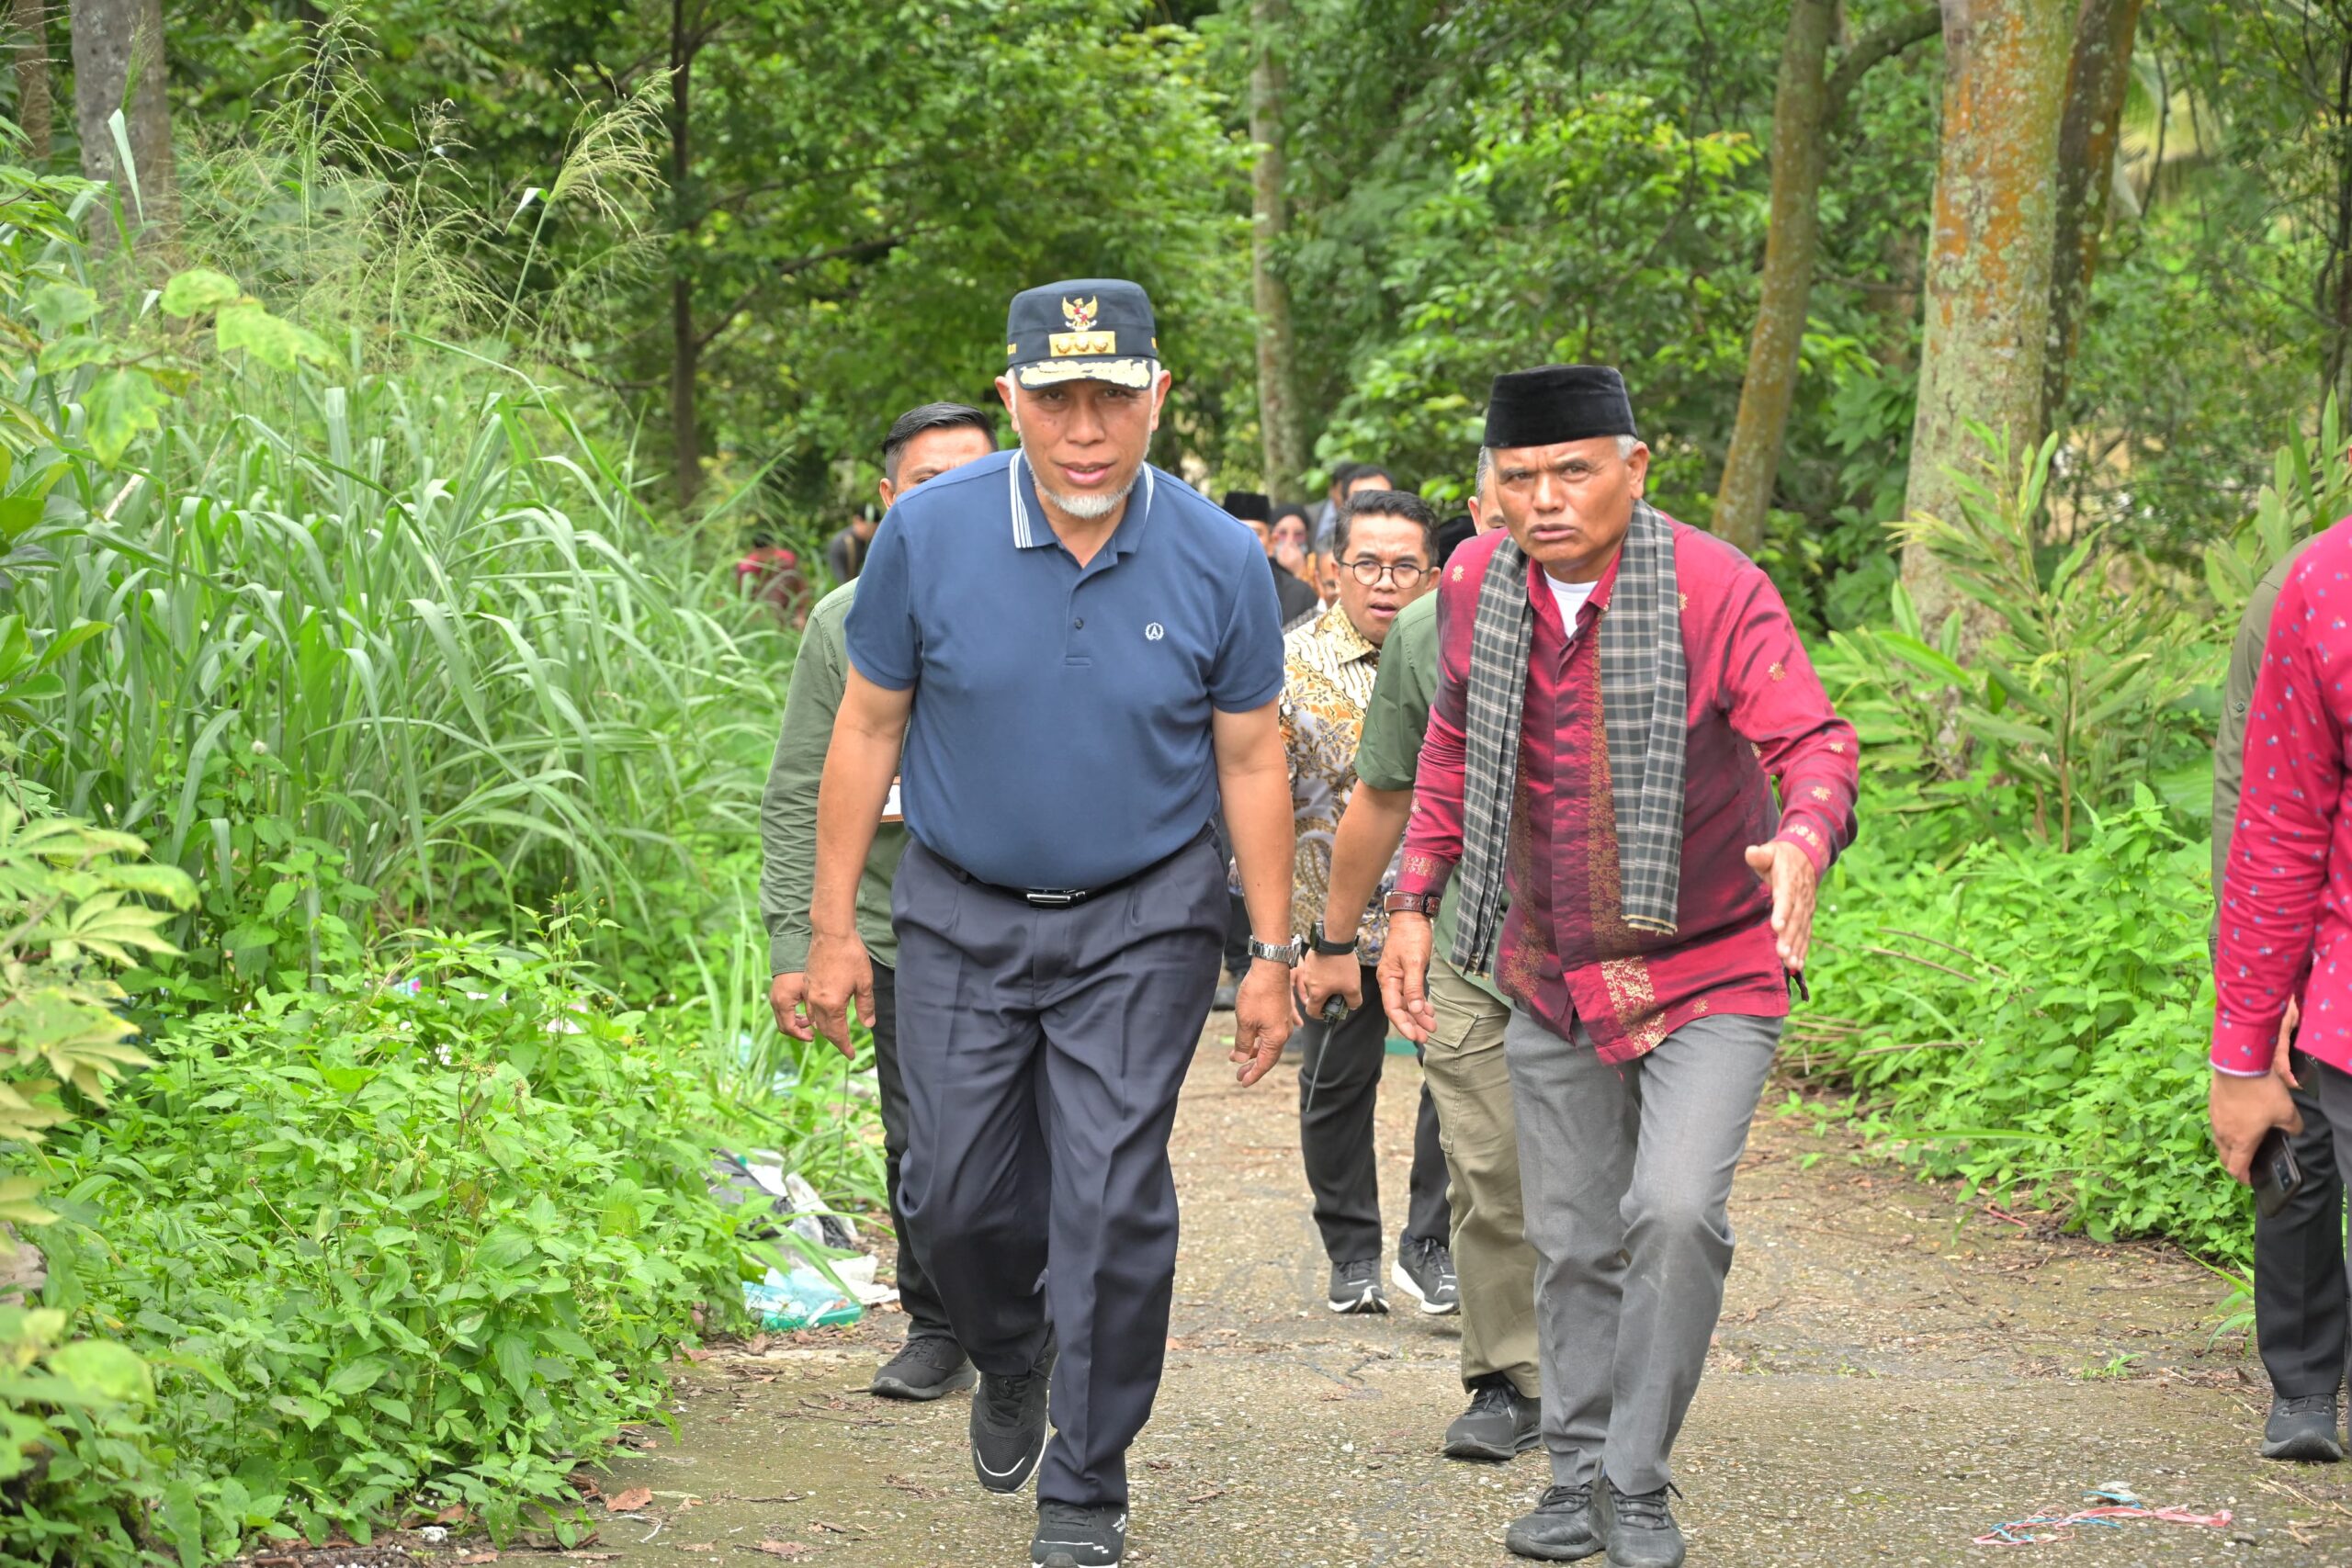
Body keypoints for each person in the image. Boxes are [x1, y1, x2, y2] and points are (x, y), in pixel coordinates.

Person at [805, 277, 1298, 1568]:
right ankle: (1011, 1349)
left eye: (1113, 397)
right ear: (1012, 395)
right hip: (961, 909)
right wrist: (830, 929)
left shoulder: (1222, 556)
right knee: (954, 1196)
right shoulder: (928, 537)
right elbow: (865, 727)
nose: (1085, 429)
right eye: (1057, 397)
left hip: (1143, 918)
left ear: (1158, 398)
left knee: (1114, 1196)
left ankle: (1087, 1475)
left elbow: (1252, 760)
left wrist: (1275, 953)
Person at [1381, 365, 1858, 1567]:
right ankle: (1580, 1471)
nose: (1546, 498)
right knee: (1574, 1233)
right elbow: (1448, 740)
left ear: (1635, 469)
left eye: (1574, 470)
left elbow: (1813, 738)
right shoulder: (1477, 581)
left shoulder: (1712, 584)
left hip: (1712, 963)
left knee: (1677, 1209)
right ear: (1493, 489)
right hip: (1549, 964)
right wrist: (1415, 896)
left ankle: (1637, 1482)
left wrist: (1803, 836)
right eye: (1520, 476)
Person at [1299, 447, 1545, 1463]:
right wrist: (1322, 938)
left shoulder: (1676, 600)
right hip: (1463, 931)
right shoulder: (1426, 633)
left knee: (1624, 1184)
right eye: (1516, 490)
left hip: (1623, 940)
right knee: (1483, 1159)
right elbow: (1383, 794)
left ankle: (1613, 1366)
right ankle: (1507, 1375)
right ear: (1482, 512)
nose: (1543, 508)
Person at [762, 400, 999, 1401]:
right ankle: (939, 1321)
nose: (953, 507)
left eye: (976, 481)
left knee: (1046, 1139)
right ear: (887, 504)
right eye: (929, 486)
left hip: (1038, 916)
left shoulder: (1057, 599)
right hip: (898, 927)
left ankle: (1041, 1320)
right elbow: (797, 787)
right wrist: (799, 939)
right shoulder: (841, 622)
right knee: (927, 1147)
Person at [1272, 487, 1456, 1319]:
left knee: (1457, 1081)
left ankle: (1433, 1244)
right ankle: (1351, 1250)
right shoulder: (1286, 666)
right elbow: (1262, 805)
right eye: (1367, 564)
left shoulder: (1460, 654)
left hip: (1445, 917)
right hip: (1332, 930)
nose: (1386, 583)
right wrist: (1275, 943)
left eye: (1405, 566)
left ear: (1432, 574)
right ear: (1327, 572)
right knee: (1335, 1084)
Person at [2211, 520, 2352, 1464]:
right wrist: (2255, 1001)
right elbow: (2257, 794)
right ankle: (2301, 1383)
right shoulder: (2305, 587)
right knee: (2290, 1153)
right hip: (2296, 925)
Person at [1224, 490, 1322, 629]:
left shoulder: (1299, 595)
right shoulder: (1206, 589)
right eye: (1235, 530)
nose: (1244, 539)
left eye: (1255, 533)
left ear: (1272, 542)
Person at [827, 511, 879, 583]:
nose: (871, 533)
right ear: (857, 521)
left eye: (874, 530)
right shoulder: (841, 543)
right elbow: (840, 577)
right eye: (869, 529)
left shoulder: (875, 539)